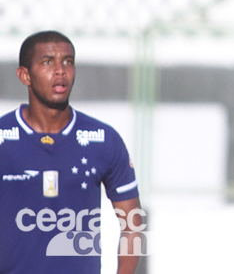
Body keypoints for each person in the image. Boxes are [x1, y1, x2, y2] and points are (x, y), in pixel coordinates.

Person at [0, 31, 142, 274]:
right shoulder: (3, 137)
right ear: (25, 75)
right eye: (48, 62)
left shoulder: (103, 140)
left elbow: (132, 224)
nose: (60, 70)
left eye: (68, 61)